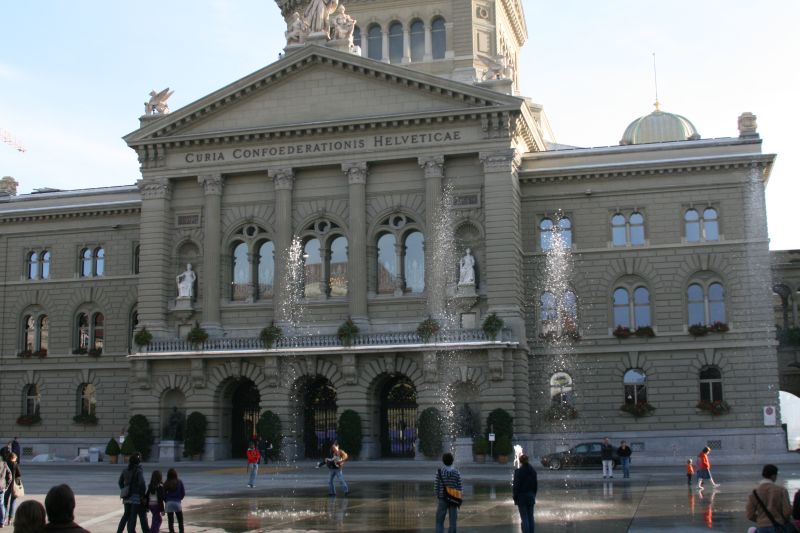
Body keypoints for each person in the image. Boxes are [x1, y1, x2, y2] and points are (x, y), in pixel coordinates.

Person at [746, 464, 792, 532]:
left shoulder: (754, 492)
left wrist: (761, 520)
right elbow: (787, 512)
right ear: (773, 476)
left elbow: (750, 515)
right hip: (778, 526)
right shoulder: (781, 490)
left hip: (762, 528)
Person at [116, 453, 148, 533]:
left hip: (126, 496)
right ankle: (131, 531)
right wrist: (142, 495)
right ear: (138, 462)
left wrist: (124, 489)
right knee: (133, 516)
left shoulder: (125, 470)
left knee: (126, 515)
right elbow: (142, 483)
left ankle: (119, 531)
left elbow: (120, 482)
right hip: (135, 496)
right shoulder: (138, 471)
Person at [434, 452, 462, 533]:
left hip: (442, 499)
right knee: (453, 521)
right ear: (452, 461)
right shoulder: (456, 472)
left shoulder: (439, 472)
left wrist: (438, 496)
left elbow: (436, 486)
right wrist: (458, 499)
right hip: (453, 499)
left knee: (439, 521)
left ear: (443, 461)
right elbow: (459, 487)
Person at [512, 454, 537, 533]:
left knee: (524, 518)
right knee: (531, 517)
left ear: (520, 461)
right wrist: (533, 495)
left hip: (522, 497)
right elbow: (535, 485)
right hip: (531, 496)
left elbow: (516, 486)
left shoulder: (518, 472)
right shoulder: (533, 471)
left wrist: (515, 497)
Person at [163, 468, 185, 533]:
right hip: (177, 503)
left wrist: (166, 500)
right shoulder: (179, 482)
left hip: (169, 503)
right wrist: (179, 498)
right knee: (180, 521)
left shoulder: (166, 483)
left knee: (170, 521)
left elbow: (163, 494)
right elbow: (183, 493)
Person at [4, 452, 22, 526]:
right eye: (15, 458)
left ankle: (3, 517)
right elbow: (19, 474)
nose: (16, 459)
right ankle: (10, 519)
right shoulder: (15, 465)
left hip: (7, 484)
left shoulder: (5, 464)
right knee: (13, 502)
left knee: (5, 501)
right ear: (13, 458)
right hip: (14, 485)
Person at [0, 454, 12, 528]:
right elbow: (10, 476)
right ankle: (2, 522)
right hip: (1, 487)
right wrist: (6, 486)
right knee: (1, 504)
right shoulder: (4, 464)